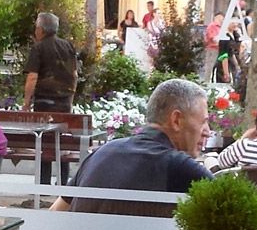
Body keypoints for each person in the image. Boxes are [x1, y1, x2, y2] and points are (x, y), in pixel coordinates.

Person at [50, 78, 212, 217]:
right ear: (176, 120)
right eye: (203, 121)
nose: (208, 132)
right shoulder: (179, 167)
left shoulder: (102, 152)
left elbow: (54, 214)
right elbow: (232, 210)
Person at [24, 12, 79, 186]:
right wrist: (70, 98)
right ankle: (63, 183)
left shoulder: (38, 48)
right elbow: (75, 75)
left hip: (43, 103)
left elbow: (32, 77)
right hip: (64, 104)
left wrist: (26, 103)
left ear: (40, 29)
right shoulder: (68, 46)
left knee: (44, 143)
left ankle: (43, 184)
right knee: (62, 144)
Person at [202, 12, 224, 80]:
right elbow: (212, 37)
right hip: (212, 48)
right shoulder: (212, 26)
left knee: (217, 66)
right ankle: (206, 80)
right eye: (220, 17)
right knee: (210, 66)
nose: (222, 19)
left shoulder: (221, 27)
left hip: (218, 48)